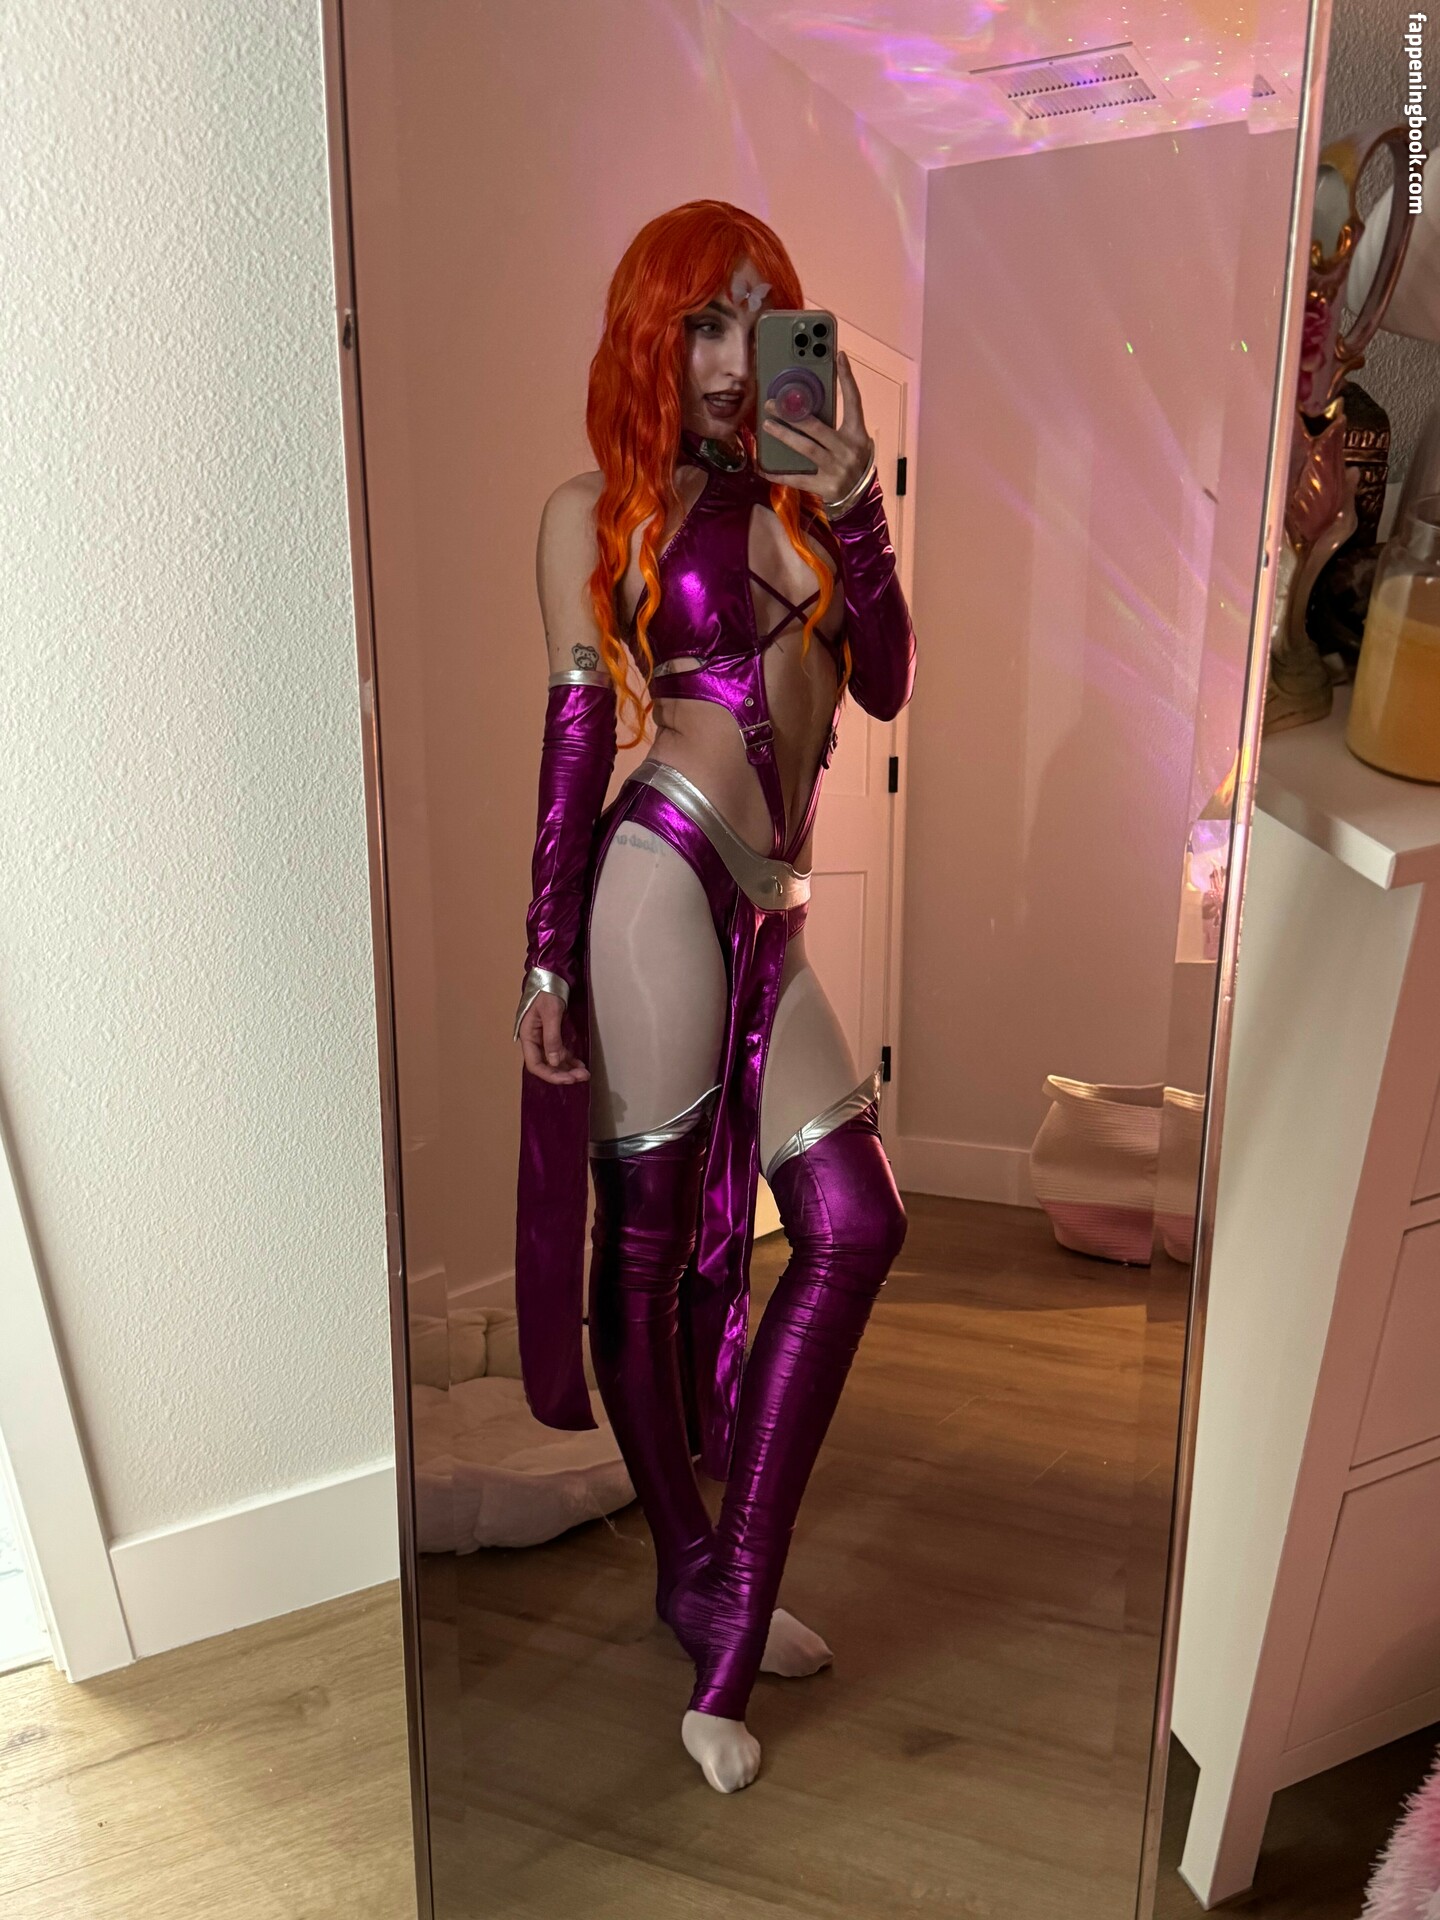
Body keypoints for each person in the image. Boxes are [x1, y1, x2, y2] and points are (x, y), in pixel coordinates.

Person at [512, 200, 916, 1793]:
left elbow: (886, 678)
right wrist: (548, 956)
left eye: (762, 313)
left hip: (777, 915)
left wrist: (862, 507)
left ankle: (723, 1580)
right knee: (651, 1245)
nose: (739, 350)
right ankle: (704, 1582)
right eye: (704, 319)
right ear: (652, 339)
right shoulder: (592, 513)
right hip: (661, 877)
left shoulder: (808, 500)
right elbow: (573, 741)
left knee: (855, 1223)